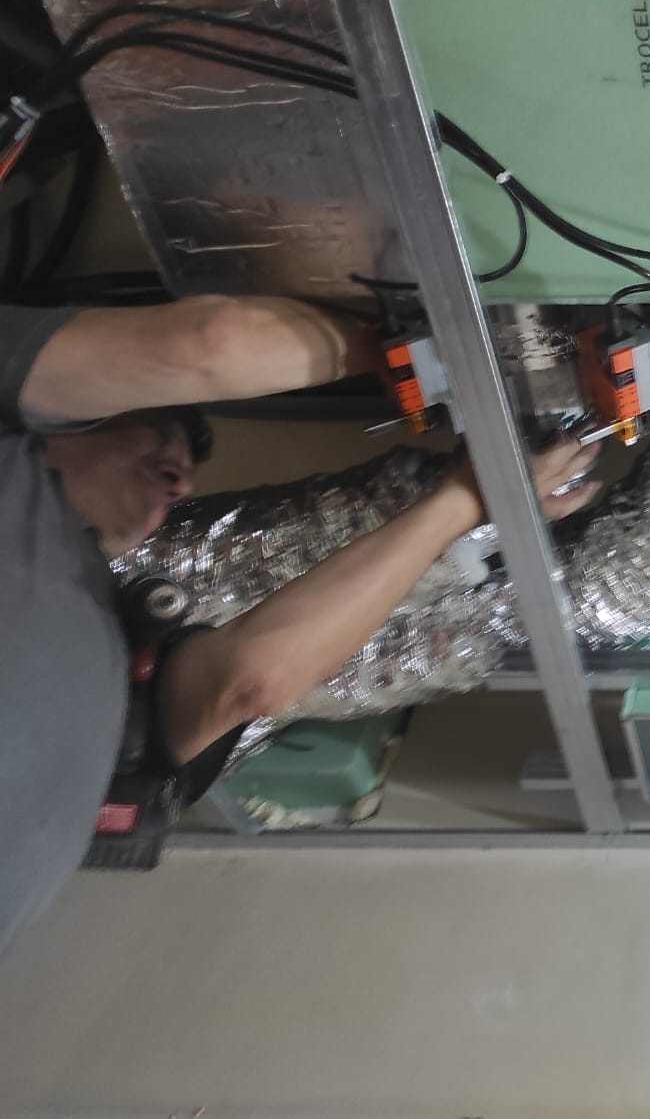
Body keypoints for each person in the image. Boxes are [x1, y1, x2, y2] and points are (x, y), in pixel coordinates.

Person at [1, 295, 601, 951]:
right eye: (156, 434)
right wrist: (450, 351)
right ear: (66, 412)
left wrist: (466, 501)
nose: (181, 481)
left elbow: (250, 677)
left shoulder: (107, 627)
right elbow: (209, 341)